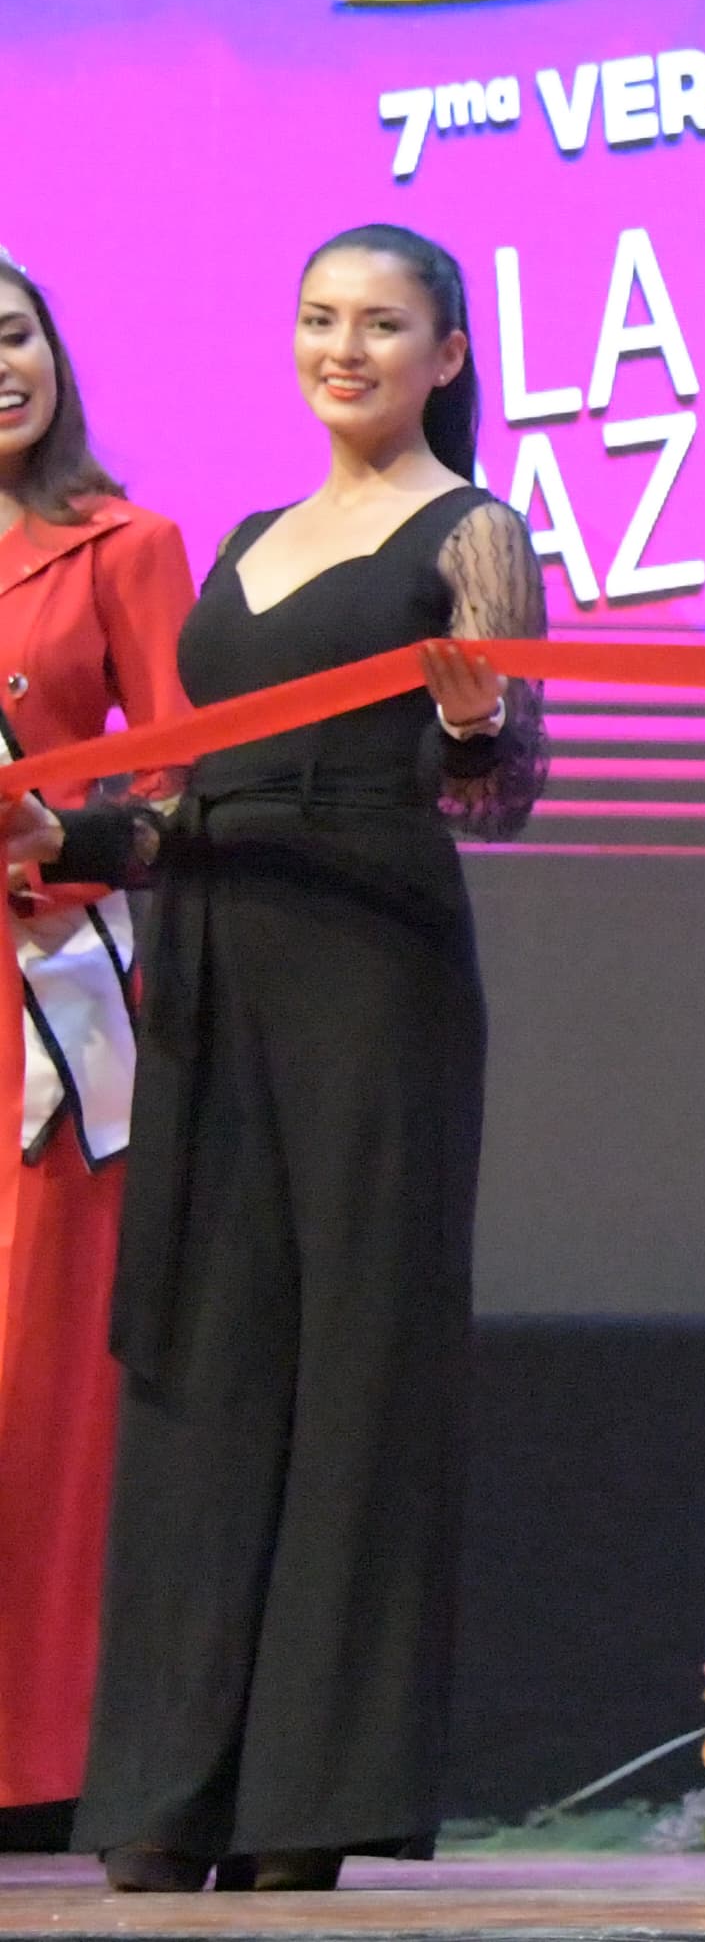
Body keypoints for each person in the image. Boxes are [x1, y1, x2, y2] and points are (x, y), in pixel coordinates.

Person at [8, 223, 545, 1893]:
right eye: (321, 318)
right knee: (204, 1347)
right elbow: (186, 807)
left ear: (447, 355)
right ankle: (170, 1785)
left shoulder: (474, 530)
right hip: (216, 964)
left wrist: (470, 722)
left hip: (370, 969)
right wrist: (66, 833)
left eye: (382, 323)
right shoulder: (244, 541)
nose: (345, 349)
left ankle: (308, 1801)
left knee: (355, 1360)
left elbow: (502, 794)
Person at [0, 258, 191, 1825]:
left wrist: (66, 839)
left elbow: (194, 779)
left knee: (39, 1386)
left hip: (46, 1012)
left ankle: (38, 1761)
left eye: (11, 335)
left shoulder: (125, 545)